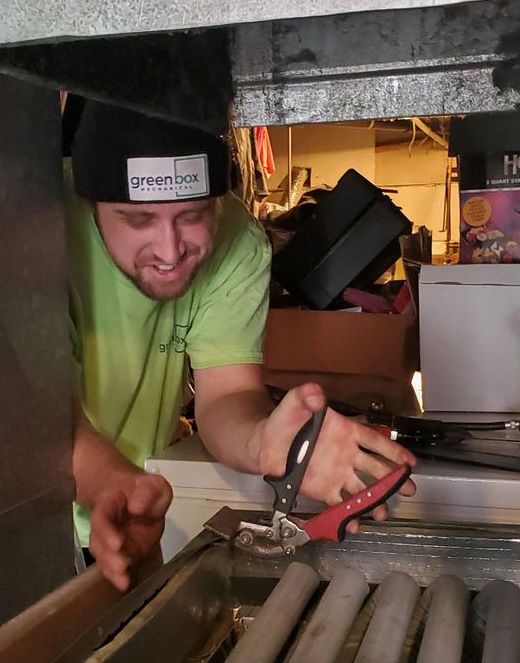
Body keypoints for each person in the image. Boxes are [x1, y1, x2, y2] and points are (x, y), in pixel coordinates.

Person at [65, 101, 416, 590]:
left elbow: (226, 394)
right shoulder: (40, 228)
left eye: (192, 214)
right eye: (137, 219)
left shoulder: (237, 240)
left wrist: (265, 442)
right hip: (40, 522)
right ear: (90, 203)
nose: (170, 251)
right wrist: (110, 482)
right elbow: (31, 414)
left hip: (140, 514)